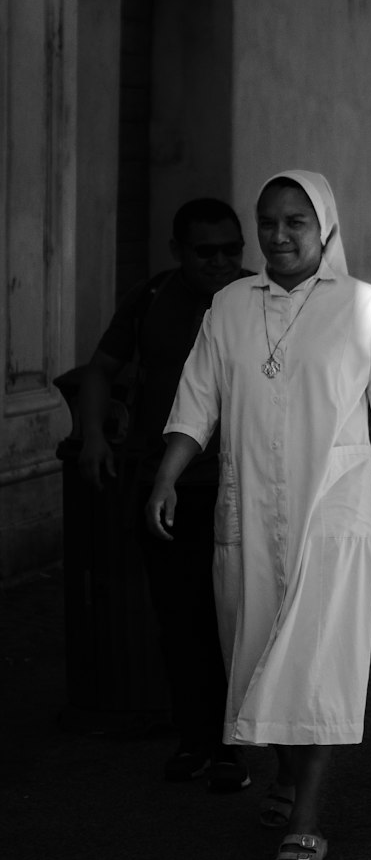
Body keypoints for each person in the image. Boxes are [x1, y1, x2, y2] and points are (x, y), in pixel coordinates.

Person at [146, 170, 371, 860]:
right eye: (269, 222)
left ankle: (308, 817)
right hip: (245, 507)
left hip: (333, 514)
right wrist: (166, 472)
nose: (279, 236)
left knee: (318, 664)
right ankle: (285, 773)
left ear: (325, 230)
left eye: (296, 223)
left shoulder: (362, 306)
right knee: (252, 656)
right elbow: (198, 399)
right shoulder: (228, 305)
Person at [78, 198, 251, 790]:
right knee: (181, 619)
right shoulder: (153, 299)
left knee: (241, 619)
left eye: (233, 249)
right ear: (178, 252)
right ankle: (195, 739)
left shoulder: (259, 297)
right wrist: (93, 435)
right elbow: (101, 368)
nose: (223, 261)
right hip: (170, 487)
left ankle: (238, 745)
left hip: (244, 490)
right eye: (207, 251)